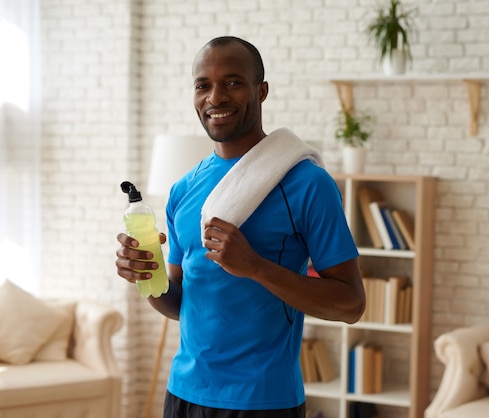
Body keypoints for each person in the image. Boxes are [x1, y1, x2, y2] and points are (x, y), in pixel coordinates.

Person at [115, 36, 365, 418]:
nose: (216, 97)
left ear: (261, 91)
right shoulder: (183, 190)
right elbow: (180, 304)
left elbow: (351, 304)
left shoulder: (307, 184)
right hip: (184, 395)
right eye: (203, 85)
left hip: (264, 401)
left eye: (232, 82)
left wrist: (255, 267)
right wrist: (146, 279)